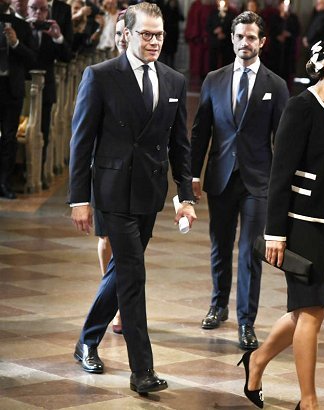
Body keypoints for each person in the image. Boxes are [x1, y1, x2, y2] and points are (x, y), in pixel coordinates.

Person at [237, 34, 324, 410]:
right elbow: (280, 174)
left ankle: (257, 361)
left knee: (307, 310)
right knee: (312, 311)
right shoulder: (301, 107)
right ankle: (308, 401)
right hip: (299, 224)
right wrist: (274, 233)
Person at [69, 2, 196, 394]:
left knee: (121, 271)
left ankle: (86, 340)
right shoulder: (101, 76)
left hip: (149, 192)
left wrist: (186, 196)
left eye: (159, 34)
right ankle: (142, 370)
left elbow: (180, 145)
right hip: (111, 191)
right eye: (146, 34)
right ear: (127, 34)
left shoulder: (174, 80)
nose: (154, 41)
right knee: (133, 273)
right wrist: (78, 198)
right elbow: (81, 141)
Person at [191, 11, 289, 350]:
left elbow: (283, 142)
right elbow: (201, 132)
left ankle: (246, 321)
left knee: (250, 251)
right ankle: (218, 305)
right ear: (232, 39)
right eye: (239, 36)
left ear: (262, 42)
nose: (244, 42)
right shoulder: (214, 80)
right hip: (220, 176)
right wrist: (193, 175)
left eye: (251, 37)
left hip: (257, 181)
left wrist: (281, 186)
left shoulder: (275, 85)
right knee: (220, 246)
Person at [92, 7, 127, 336]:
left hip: (133, 175)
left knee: (128, 244)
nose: (121, 39)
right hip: (104, 171)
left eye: (125, 33)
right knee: (106, 238)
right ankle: (112, 300)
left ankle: (120, 296)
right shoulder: (101, 74)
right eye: (117, 34)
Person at [27, 0, 72, 189]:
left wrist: (58, 37)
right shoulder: (21, 26)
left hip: (46, 87)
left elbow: (67, 57)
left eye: (42, 10)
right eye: (34, 9)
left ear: (48, 12)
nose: (38, 13)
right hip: (20, 85)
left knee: (43, 130)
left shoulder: (53, 30)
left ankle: (37, 173)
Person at [0, 0, 37, 199]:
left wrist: (15, 43)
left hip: (11, 89)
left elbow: (33, 58)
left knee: (9, 137)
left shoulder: (21, 25)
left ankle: (4, 183)